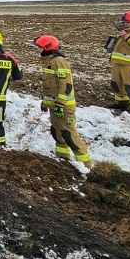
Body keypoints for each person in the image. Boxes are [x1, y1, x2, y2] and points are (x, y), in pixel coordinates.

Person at [34, 35, 92, 168]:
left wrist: (60, 103)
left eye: (40, 47)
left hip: (64, 106)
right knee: (57, 132)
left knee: (68, 134)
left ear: (47, 48)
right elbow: (50, 86)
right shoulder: (49, 61)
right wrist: (46, 103)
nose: (38, 50)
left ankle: (86, 164)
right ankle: (63, 158)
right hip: (55, 106)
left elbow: (65, 85)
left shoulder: (59, 61)